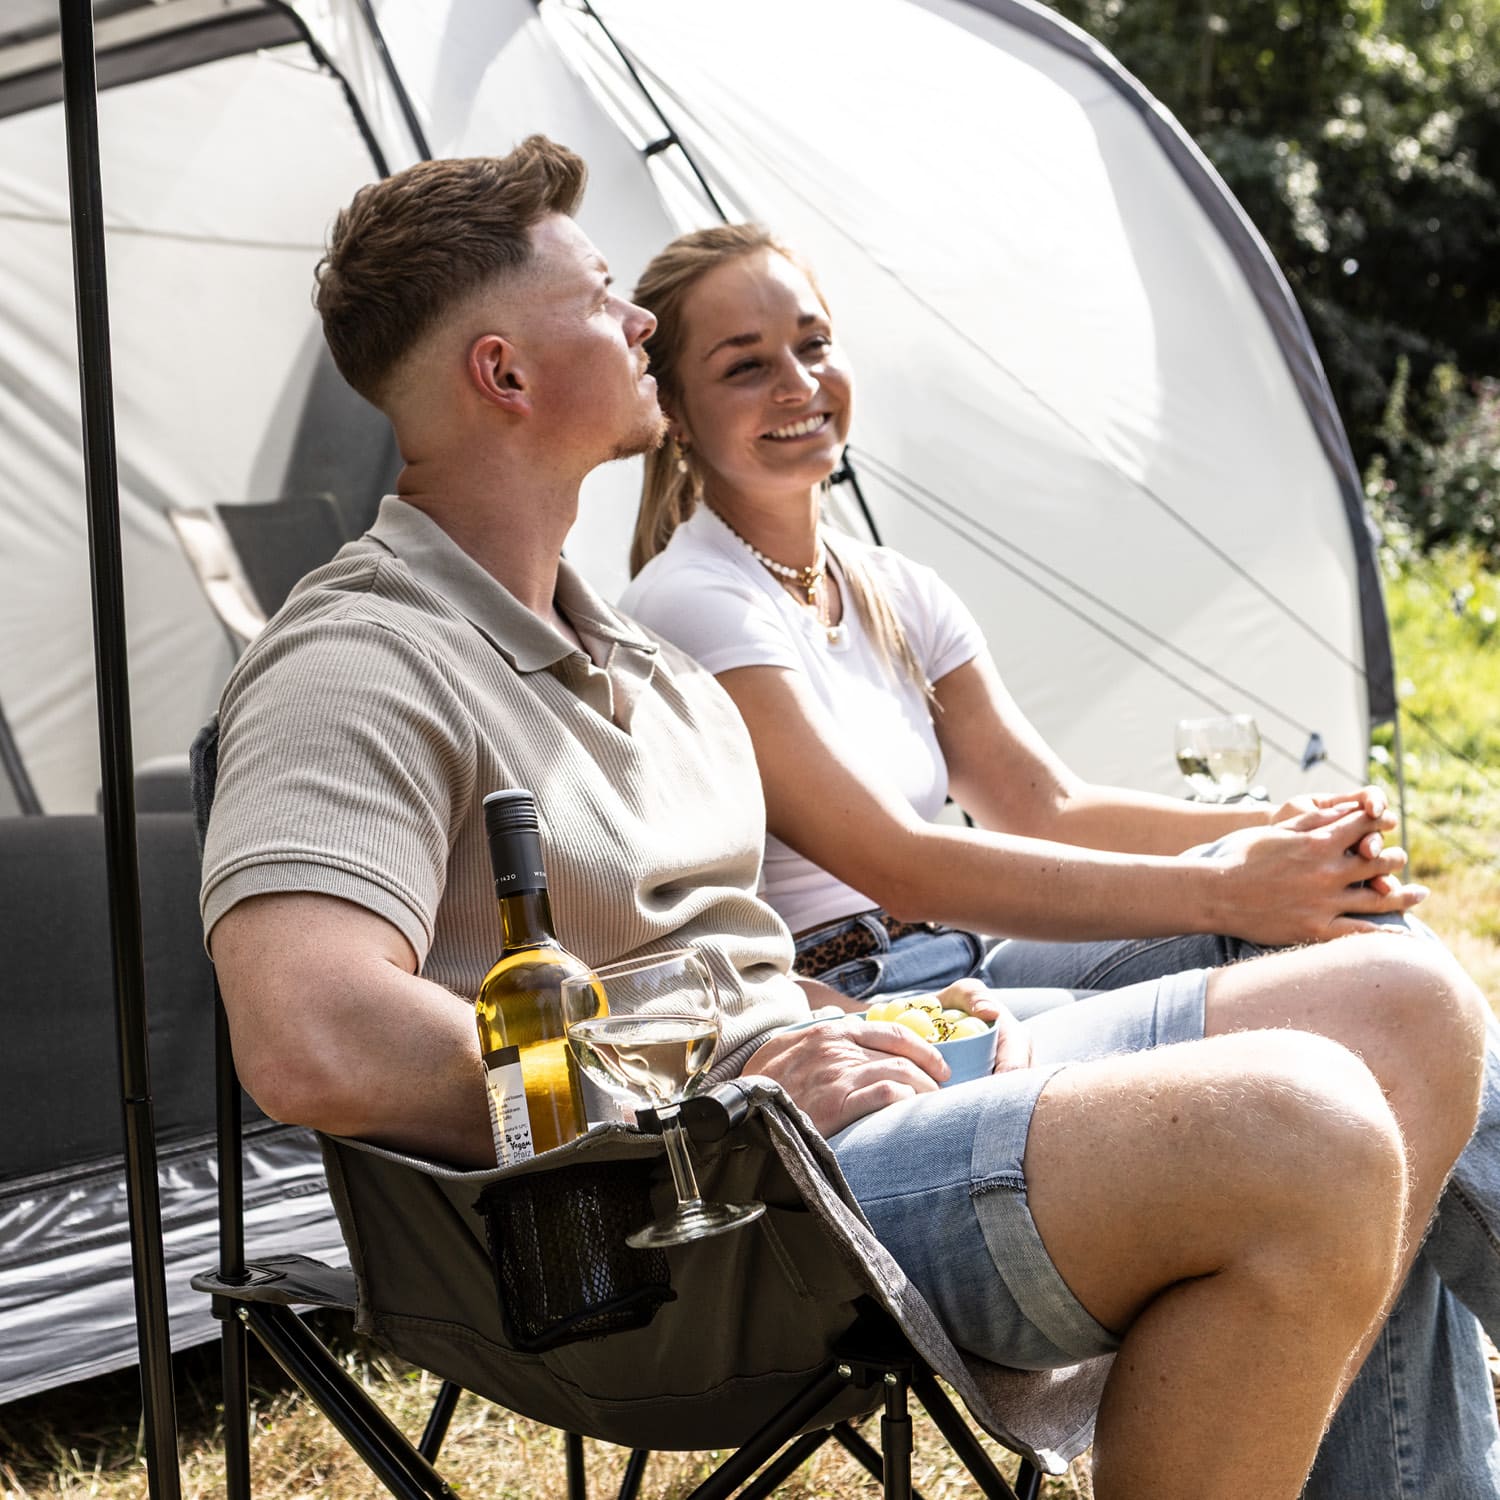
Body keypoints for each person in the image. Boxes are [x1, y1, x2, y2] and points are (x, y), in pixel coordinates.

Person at [199, 140, 1486, 1500]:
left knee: (1403, 1006)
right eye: (599, 295)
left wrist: (864, 1025)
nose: (638, 321)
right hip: (688, 1223)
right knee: (1307, 1129)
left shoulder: (646, 669)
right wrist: (708, 1113)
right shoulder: (358, 658)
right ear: (504, 374)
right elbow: (312, 1033)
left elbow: (738, 955)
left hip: (816, 1112)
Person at [617, 222, 1500, 1493]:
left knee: (1364, 955)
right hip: (862, 1000)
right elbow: (903, 862)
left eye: (813, 344)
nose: (799, 385)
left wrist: (1281, 837)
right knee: (1367, 1045)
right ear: (678, 414)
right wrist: (1228, 882)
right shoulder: (695, 601)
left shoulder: (892, 588)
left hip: (974, 964)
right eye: (746, 364)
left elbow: (1044, 800)